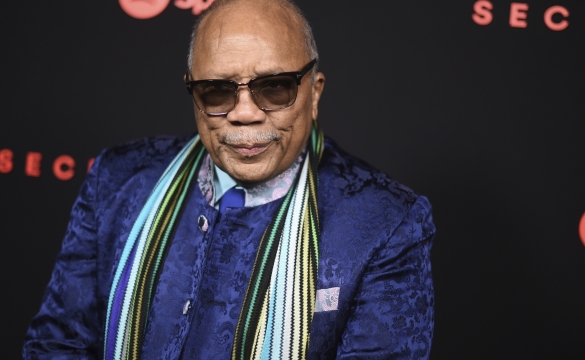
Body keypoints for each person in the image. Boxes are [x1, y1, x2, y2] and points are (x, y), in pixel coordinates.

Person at [23, 0, 435, 359]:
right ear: (193, 94)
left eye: (274, 88)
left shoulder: (385, 223)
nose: (244, 112)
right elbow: (59, 345)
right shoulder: (118, 181)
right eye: (217, 91)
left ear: (314, 94)